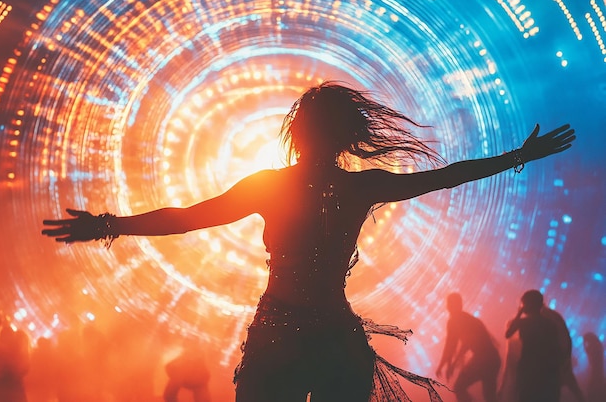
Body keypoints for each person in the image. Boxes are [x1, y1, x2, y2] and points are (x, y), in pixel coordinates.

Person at [42, 81, 575, 402]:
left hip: (280, 338)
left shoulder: (271, 187)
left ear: (296, 134)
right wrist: (514, 158)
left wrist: (110, 224)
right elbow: (444, 176)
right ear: (348, 138)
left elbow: (187, 219)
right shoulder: (360, 186)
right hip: (336, 340)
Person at [436, 293, 501, 402]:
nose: (447, 307)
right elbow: (464, 344)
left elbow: (450, 346)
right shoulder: (468, 318)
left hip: (482, 360)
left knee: (459, 387)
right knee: (490, 397)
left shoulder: (454, 321)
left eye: (449, 304)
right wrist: (452, 363)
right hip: (493, 359)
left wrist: (443, 365)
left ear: (451, 306)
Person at [505, 290, 563, 402]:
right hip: (547, 370)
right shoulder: (549, 324)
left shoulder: (523, 322)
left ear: (527, 305)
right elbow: (556, 348)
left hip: (528, 368)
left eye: (523, 304)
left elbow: (508, 334)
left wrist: (519, 313)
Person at [541, 302, 585, 402]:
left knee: (552, 391)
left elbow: (562, 338)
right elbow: (566, 338)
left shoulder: (545, 317)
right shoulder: (554, 316)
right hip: (560, 358)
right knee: (572, 388)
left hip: (555, 361)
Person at [0, 316, 30, 402]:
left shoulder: (0, 351)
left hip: (0, 390)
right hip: (16, 391)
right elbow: (25, 370)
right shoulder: (22, 353)